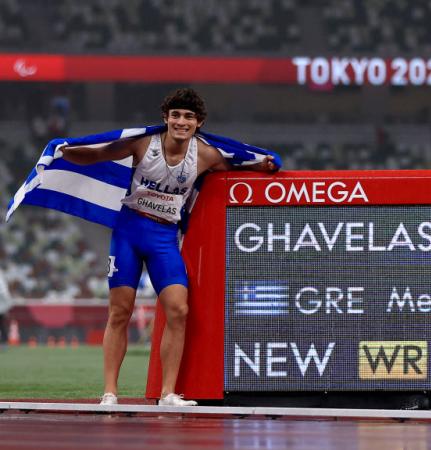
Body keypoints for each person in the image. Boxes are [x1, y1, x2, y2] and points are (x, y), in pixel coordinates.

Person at [61, 88, 278, 406]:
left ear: (198, 122)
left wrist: (264, 166)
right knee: (120, 312)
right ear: (165, 118)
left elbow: (238, 165)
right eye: (175, 115)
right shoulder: (143, 144)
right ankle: (109, 392)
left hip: (165, 237)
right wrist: (63, 151)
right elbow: (98, 153)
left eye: (188, 116)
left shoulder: (205, 155)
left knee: (179, 310)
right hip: (129, 232)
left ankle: (168, 393)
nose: (181, 121)